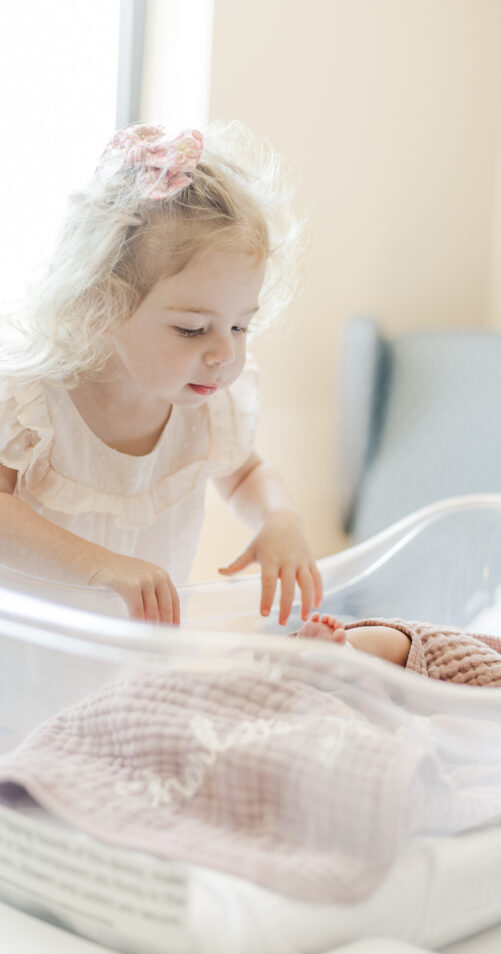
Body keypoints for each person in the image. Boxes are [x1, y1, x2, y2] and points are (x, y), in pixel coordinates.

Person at [0, 122, 322, 625]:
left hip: (136, 669)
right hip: (27, 666)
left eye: (240, 326)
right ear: (102, 307)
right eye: (193, 329)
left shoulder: (208, 406)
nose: (224, 353)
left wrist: (280, 518)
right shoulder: (32, 405)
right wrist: (100, 567)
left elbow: (246, 473)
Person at [298, 611, 501, 686]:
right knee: (416, 643)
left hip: (497, 685)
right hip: (487, 681)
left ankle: (351, 648)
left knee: (412, 642)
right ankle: (347, 652)